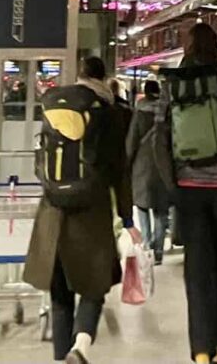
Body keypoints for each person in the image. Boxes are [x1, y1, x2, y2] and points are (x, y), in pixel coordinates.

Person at [24, 57, 136, 364]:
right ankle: (81, 346)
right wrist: (127, 218)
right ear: (104, 78)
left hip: (52, 212)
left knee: (60, 295)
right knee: (93, 285)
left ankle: (61, 357)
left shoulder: (53, 105)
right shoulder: (110, 113)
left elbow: (40, 160)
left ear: (80, 75)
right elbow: (119, 171)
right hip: (91, 212)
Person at [158, 21, 217, 364]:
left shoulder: (172, 83)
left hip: (187, 188)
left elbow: (162, 135)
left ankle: (200, 348)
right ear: (216, 47)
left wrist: (172, 185)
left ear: (186, 48)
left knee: (196, 269)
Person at [126, 79, 170, 264]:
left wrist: (127, 164)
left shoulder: (139, 112)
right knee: (161, 211)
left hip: (142, 167)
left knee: (143, 207)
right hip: (163, 166)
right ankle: (158, 251)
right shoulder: (168, 113)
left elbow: (132, 142)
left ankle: (146, 244)